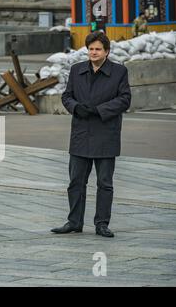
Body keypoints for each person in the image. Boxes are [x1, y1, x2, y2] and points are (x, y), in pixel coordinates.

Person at [51, 31, 131, 238]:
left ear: (106, 51)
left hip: (106, 134)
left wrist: (99, 110)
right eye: (91, 49)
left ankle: (102, 224)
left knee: (104, 183)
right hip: (81, 133)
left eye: (98, 49)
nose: (93, 52)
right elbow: (66, 96)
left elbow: (124, 100)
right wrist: (76, 108)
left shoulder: (119, 72)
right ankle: (74, 221)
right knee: (76, 181)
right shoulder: (77, 70)